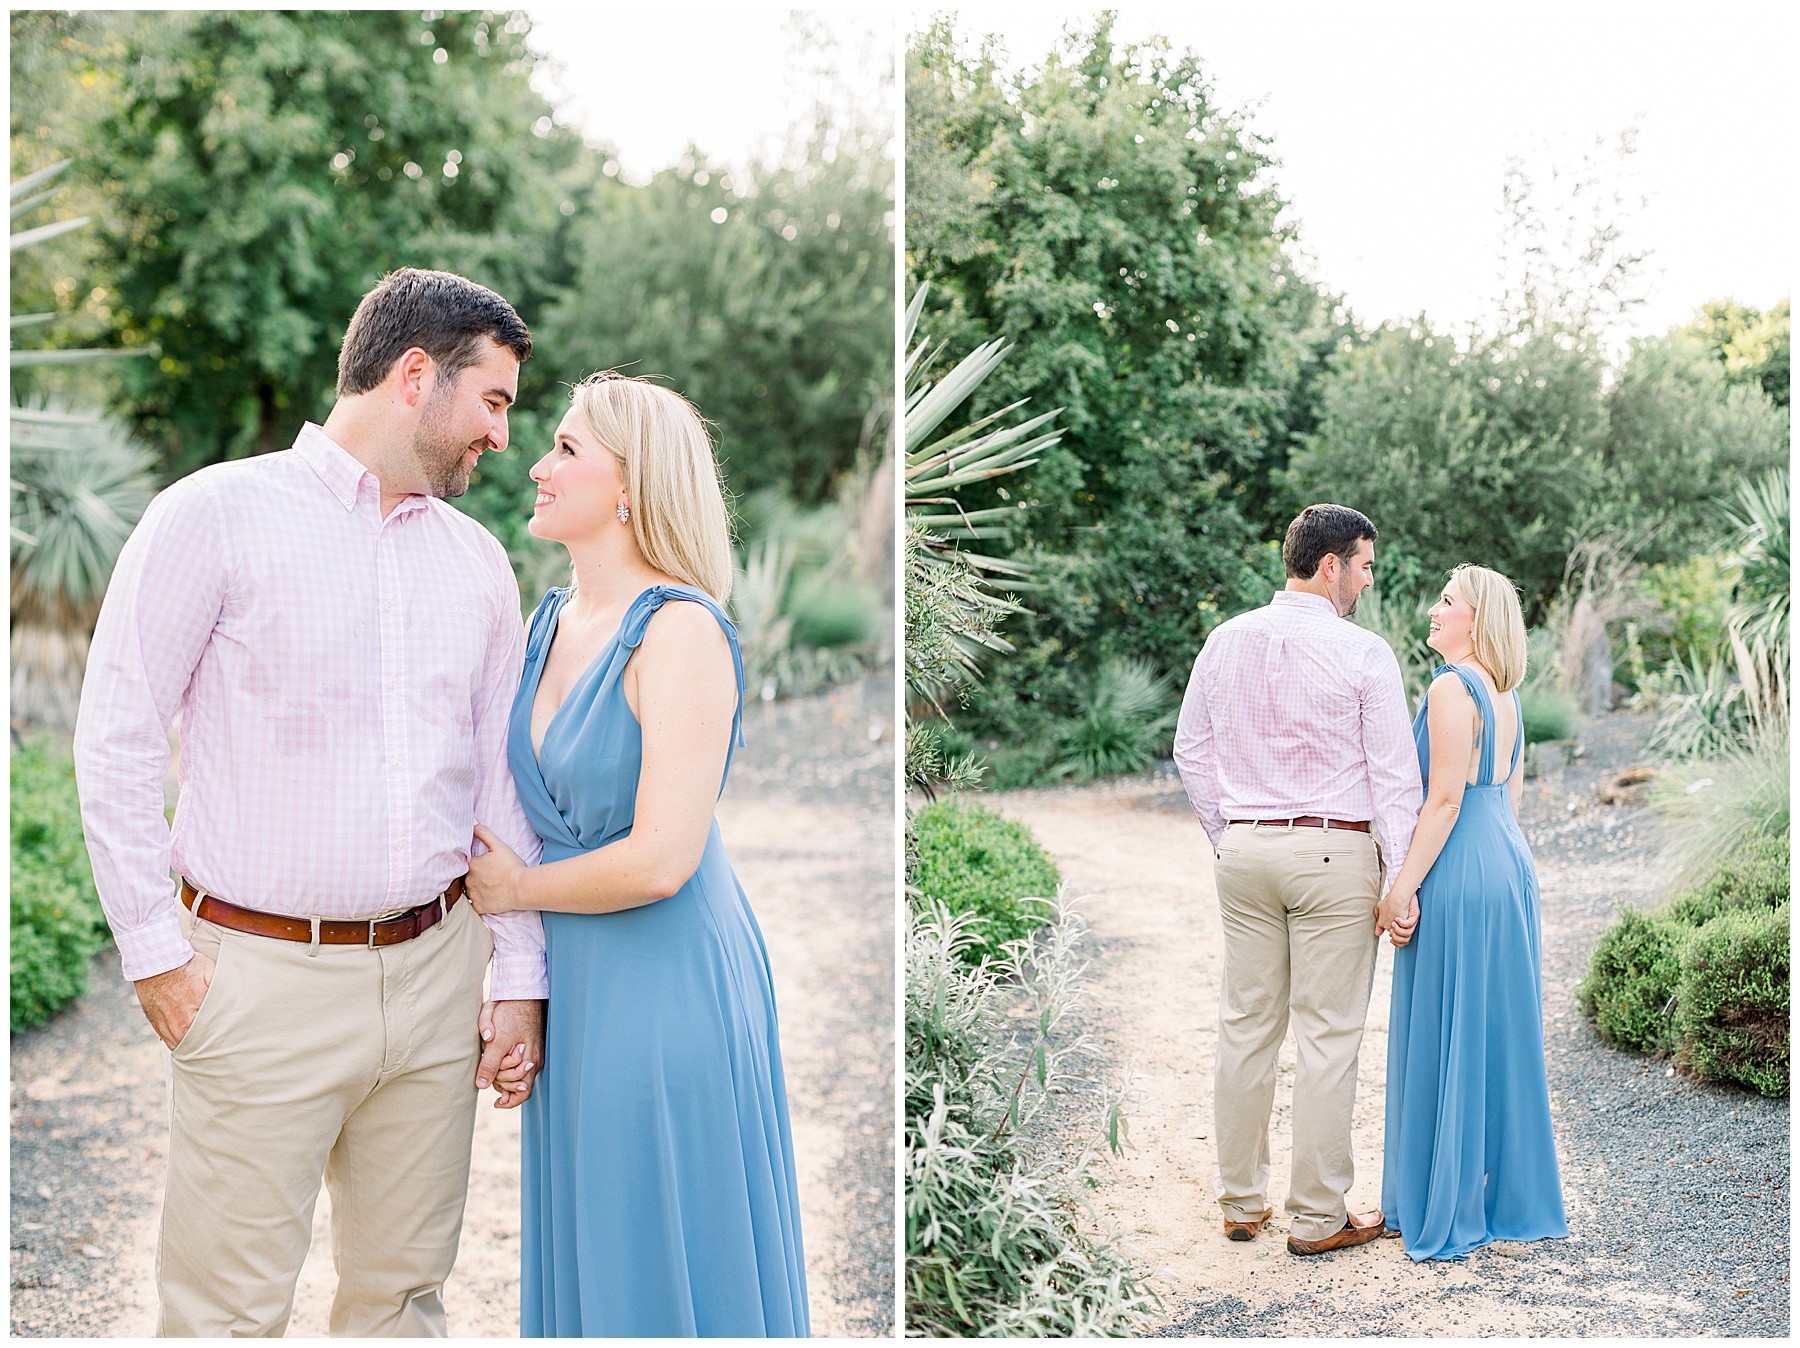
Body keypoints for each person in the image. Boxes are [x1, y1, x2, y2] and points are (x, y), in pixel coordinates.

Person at [73, 268, 545, 1337]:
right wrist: (154, 954)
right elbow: (116, 735)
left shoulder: (478, 565)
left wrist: (516, 973)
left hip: (434, 982)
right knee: (226, 1315)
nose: (504, 437)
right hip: (258, 981)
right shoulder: (213, 515)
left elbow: (497, 787)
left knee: (403, 1303)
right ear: (415, 374)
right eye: (496, 400)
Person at [463, 371, 809, 1337]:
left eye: (567, 448)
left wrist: (515, 889)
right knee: (595, 1246)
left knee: (657, 1246)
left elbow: (663, 856)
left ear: (632, 487)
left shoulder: (682, 631)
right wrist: (521, 982)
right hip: (576, 984)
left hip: (666, 980)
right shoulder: (544, 623)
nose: (536, 464)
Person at [1173, 503, 1423, 1257]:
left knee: (1246, 1027)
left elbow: (1191, 751)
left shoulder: (1225, 640)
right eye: (1365, 566)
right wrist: (1399, 880)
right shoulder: (1364, 654)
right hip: (1332, 855)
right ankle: (1317, 1217)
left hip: (1245, 853)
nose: (1368, 582)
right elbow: (1394, 779)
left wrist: (1231, 835)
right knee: (1327, 1037)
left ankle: (1241, 1204)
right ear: (1329, 566)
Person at [1375, 564, 1569, 1260]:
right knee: (1490, 1030)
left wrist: (1402, 890)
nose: (1433, 610)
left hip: (1461, 864)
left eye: (1447, 601)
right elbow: (1506, 800)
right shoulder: (1506, 695)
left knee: (1451, 1025)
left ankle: (1450, 1203)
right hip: (1506, 862)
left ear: (1476, 620)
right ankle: (1491, 1195)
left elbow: (1445, 802)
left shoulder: (1453, 688)